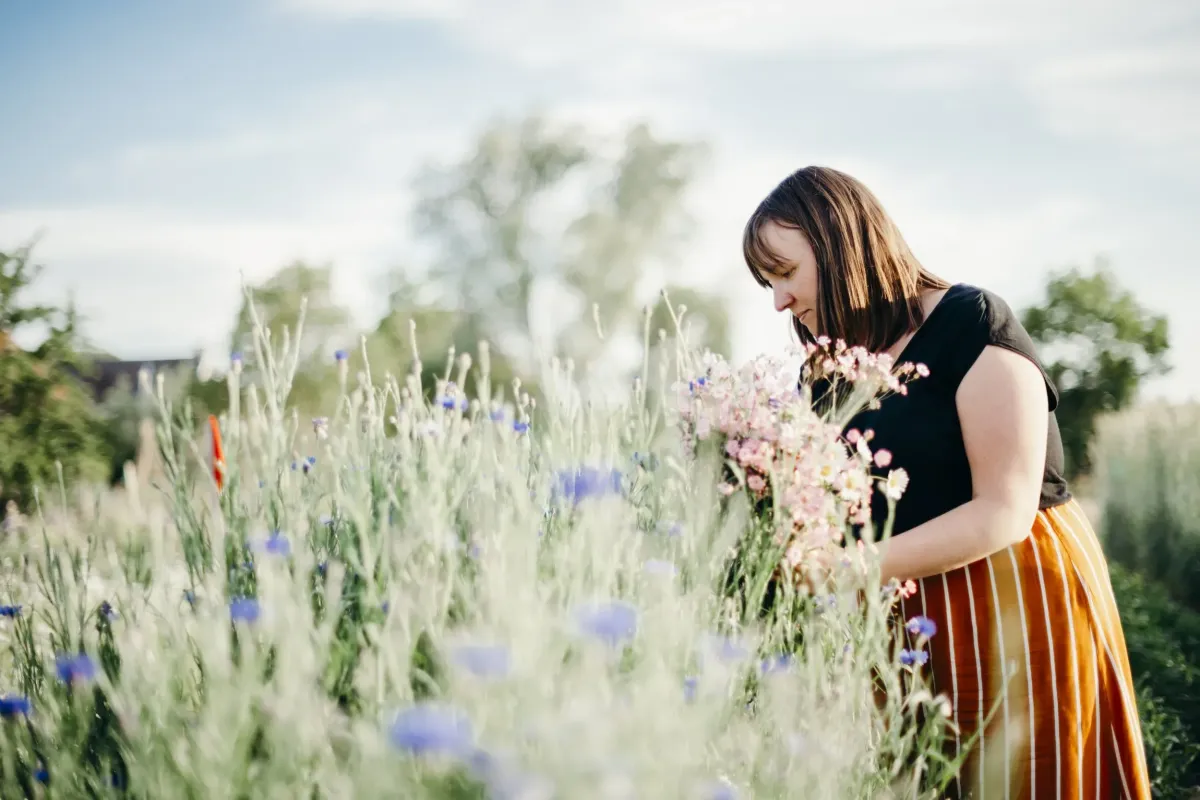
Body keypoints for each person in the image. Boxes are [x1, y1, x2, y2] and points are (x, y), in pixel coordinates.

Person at [742, 166, 1150, 799]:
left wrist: (843, 567)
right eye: (768, 284)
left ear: (840, 242)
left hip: (1017, 596)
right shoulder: (823, 372)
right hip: (903, 617)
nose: (778, 302)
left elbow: (1004, 510)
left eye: (786, 274)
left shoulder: (971, 324)